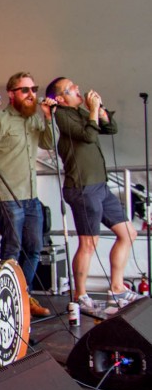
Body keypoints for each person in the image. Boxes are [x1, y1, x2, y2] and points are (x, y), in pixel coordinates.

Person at [48, 77, 144, 311]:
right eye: (72, 89)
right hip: (82, 187)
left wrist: (99, 112)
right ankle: (80, 295)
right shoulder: (62, 115)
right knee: (89, 243)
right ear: (60, 98)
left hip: (100, 185)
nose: (78, 90)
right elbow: (89, 136)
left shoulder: (81, 112)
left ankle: (118, 287)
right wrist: (92, 112)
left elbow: (111, 129)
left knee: (128, 233)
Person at [0, 72, 54, 316]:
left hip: (30, 195)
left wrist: (49, 118)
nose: (32, 94)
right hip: (6, 195)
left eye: (34, 88)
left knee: (34, 247)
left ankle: (22, 293)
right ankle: (3, 300)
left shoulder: (34, 119)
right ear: (12, 94)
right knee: (13, 247)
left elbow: (49, 144)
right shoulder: (0, 120)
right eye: (25, 90)